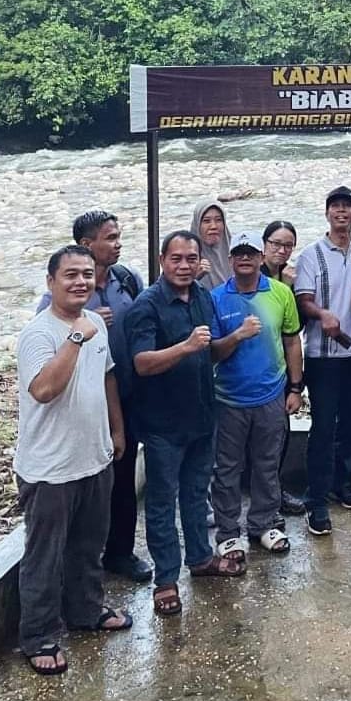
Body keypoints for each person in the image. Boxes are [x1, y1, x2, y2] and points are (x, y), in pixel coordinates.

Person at [15, 245, 131, 676]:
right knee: (44, 556)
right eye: (70, 275)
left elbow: (107, 378)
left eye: (86, 274)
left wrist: (116, 432)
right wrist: (78, 335)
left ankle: (86, 611)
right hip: (49, 469)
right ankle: (40, 635)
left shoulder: (94, 327)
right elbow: (45, 389)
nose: (80, 281)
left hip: (94, 459)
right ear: (51, 283)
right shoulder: (39, 333)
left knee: (88, 547)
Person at [125, 229, 245, 619]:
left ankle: (200, 557)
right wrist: (186, 347)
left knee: (196, 495)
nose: (184, 266)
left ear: (199, 262)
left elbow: (209, 354)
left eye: (191, 259)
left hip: (201, 416)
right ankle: (166, 580)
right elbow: (142, 363)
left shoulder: (202, 297)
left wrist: (233, 340)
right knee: (161, 503)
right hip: (162, 424)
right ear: (162, 261)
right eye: (176, 259)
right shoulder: (147, 306)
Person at [36, 210, 152, 583]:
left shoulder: (127, 280)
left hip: (125, 394)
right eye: (111, 238)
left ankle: (120, 552)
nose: (118, 244)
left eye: (119, 237)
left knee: (121, 476)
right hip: (80, 405)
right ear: (87, 245)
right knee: (85, 484)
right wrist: (85, 319)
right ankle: (81, 562)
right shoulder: (59, 299)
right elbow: (46, 359)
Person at [209, 233, 304, 555]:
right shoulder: (216, 297)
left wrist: (295, 387)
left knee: (267, 464)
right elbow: (211, 353)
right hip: (228, 400)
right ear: (231, 259)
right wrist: (237, 335)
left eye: (250, 253)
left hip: (271, 396)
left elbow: (292, 341)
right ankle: (227, 532)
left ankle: (263, 524)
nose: (244, 259)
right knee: (226, 470)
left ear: (262, 257)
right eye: (238, 254)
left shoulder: (280, 293)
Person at [294, 186, 351, 536]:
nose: (341, 213)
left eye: (348, 207)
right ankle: (316, 501)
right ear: (327, 213)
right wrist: (322, 314)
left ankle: (342, 481)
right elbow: (304, 300)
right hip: (323, 355)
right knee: (323, 425)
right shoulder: (312, 255)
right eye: (335, 207)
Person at [261, 220, 306, 517]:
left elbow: (295, 332)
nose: (281, 250)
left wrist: (296, 385)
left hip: (281, 371)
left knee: (282, 434)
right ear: (263, 244)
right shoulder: (253, 276)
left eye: (288, 245)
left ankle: (275, 492)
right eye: (276, 243)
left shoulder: (289, 278)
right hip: (254, 371)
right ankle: (263, 500)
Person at [191, 198, 232, 288]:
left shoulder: (237, 256)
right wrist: (192, 278)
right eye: (206, 221)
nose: (213, 226)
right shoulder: (184, 259)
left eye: (218, 220)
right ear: (197, 225)